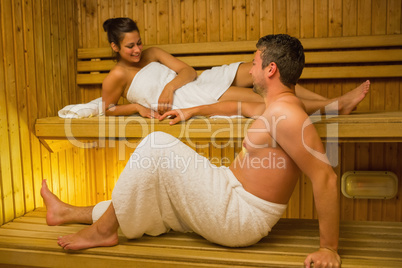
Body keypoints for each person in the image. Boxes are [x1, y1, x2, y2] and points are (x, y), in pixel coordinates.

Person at [41, 34, 341, 268]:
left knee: (157, 147)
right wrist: (191, 110)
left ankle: (102, 232)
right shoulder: (276, 105)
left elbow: (325, 176)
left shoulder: (288, 115)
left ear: (270, 69)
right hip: (228, 192)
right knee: (153, 195)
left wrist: (328, 247)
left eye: (255, 63)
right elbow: (234, 106)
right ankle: (66, 212)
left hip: (241, 216)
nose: (251, 69)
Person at [102, 17, 369, 118]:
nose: (137, 50)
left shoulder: (153, 53)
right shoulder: (116, 76)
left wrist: (170, 86)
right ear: (115, 47)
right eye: (129, 47)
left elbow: (188, 71)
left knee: (259, 70)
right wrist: (137, 107)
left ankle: (331, 103)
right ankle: (333, 107)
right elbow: (108, 109)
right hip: (187, 98)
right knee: (262, 96)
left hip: (194, 83)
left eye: (138, 43)